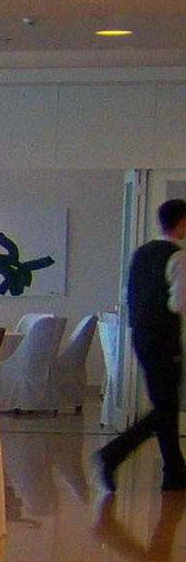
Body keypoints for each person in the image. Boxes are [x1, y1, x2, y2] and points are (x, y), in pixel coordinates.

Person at [99, 197, 186, 492]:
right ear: (182, 222)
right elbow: (178, 304)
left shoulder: (141, 253)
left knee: (165, 405)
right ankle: (113, 454)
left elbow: (131, 295)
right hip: (165, 339)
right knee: (165, 407)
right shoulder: (178, 257)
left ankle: (174, 471)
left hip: (142, 337)